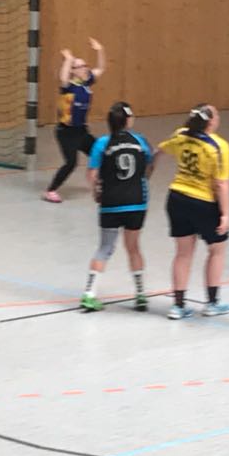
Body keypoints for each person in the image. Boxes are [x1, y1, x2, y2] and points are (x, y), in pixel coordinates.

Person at [158, 104, 229, 318]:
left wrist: (149, 169)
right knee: (217, 250)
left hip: (177, 198)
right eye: (216, 114)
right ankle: (212, 303)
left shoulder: (181, 135)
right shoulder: (218, 146)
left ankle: (178, 306)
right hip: (203, 202)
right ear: (211, 121)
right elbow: (221, 184)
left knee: (183, 254)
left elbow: (160, 150)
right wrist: (225, 214)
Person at [81, 102, 155, 312]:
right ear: (128, 120)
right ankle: (140, 295)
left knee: (105, 248)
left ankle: (89, 294)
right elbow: (148, 167)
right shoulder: (140, 141)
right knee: (133, 247)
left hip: (111, 203)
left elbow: (92, 174)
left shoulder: (102, 143)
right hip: (136, 203)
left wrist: (96, 192)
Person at [44, 38, 105, 203]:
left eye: (85, 65)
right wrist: (68, 60)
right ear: (73, 70)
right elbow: (63, 77)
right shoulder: (68, 87)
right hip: (66, 133)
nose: (85, 68)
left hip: (81, 131)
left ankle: (98, 182)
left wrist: (100, 50)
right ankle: (50, 190)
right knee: (71, 163)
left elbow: (101, 68)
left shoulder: (87, 82)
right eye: (80, 66)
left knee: (100, 153)